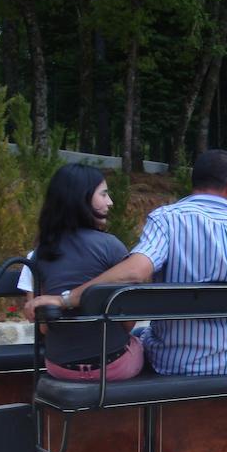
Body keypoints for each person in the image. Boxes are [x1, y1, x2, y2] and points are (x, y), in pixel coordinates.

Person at [26, 149, 227, 376]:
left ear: (193, 182)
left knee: (140, 337)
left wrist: (67, 299)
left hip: (172, 363)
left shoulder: (166, 221)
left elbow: (136, 271)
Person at [25, 163, 145, 382]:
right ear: (82, 198)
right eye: (104, 194)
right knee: (143, 341)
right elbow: (129, 322)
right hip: (113, 366)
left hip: (59, 367)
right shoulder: (111, 246)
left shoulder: (40, 253)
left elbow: (43, 327)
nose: (110, 202)